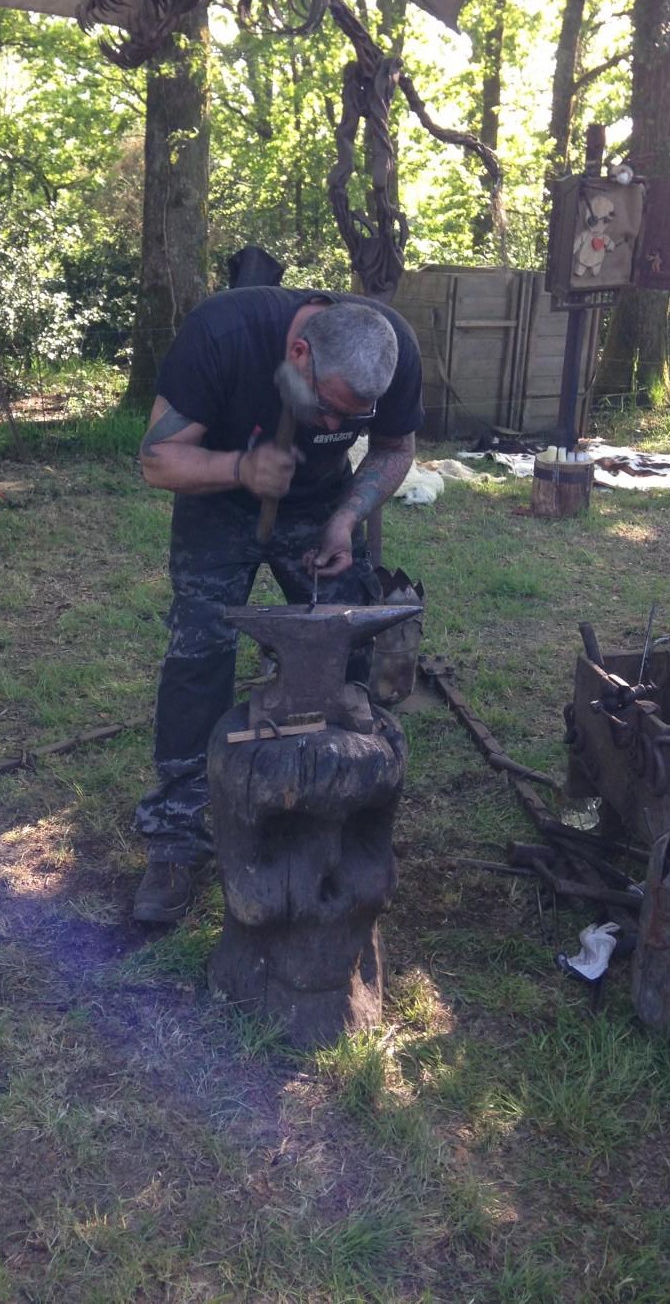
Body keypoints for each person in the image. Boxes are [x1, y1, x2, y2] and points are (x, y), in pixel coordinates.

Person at [133, 285, 423, 922]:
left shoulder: (392, 349)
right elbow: (157, 460)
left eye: (353, 419)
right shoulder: (222, 333)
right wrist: (242, 469)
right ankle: (179, 836)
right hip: (218, 496)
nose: (333, 427)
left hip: (319, 503)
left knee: (345, 649)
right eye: (327, 408)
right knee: (198, 656)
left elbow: (396, 450)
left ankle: (332, 805)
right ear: (298, 353)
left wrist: (347, 517)